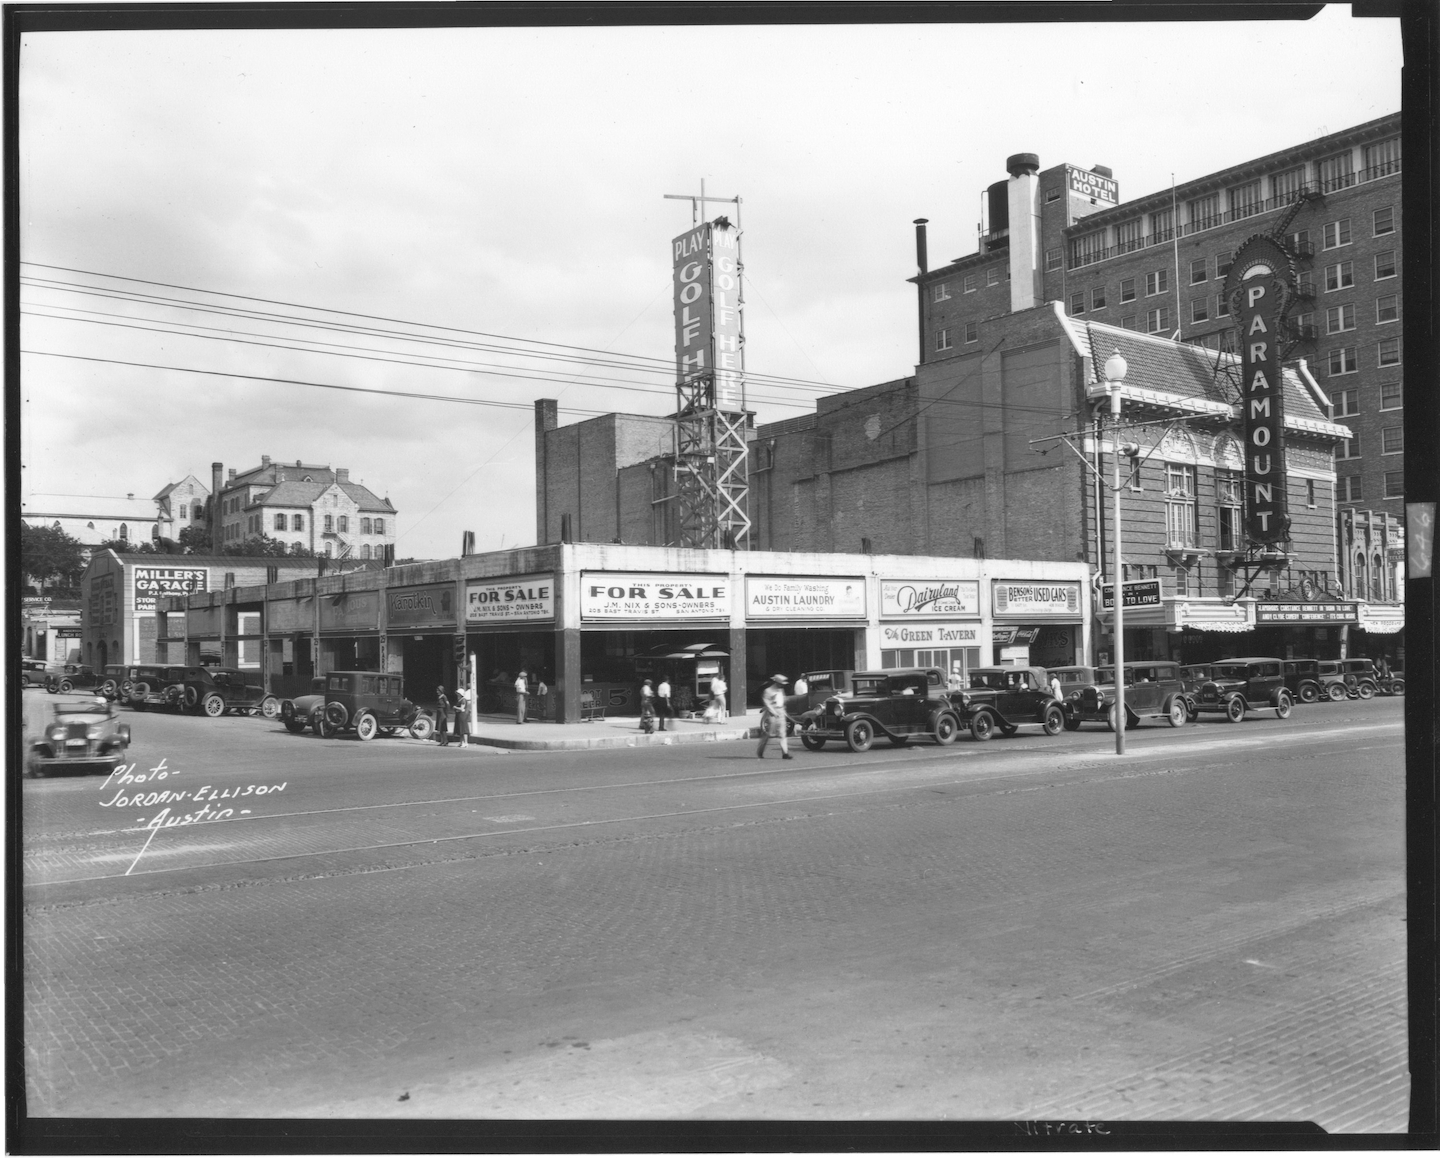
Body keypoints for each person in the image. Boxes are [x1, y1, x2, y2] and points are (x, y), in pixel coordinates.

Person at [757, 674, 792, 760]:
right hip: (772, 713)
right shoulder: (768, 691)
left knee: (782, 734)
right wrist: (773, 712)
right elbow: (767, 703)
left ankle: (785, 753)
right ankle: (760, 751)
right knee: (768, 734)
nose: (783, 685)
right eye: (781, 683)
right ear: (776, 682)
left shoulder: (780, 690)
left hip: (781, 712)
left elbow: (782, 700)